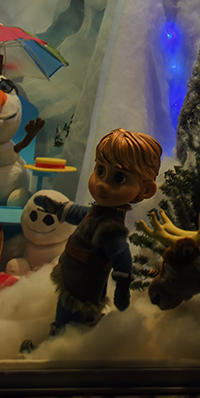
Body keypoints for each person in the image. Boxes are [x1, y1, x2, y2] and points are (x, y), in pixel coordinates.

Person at [45, 129, 163, 335]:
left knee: (69, 320)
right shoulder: (101, 214)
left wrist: (122, 289)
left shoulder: (111, 228)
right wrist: (59, 209)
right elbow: (83, 214)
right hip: (75, 276)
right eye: (100, 170)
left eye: (119, 177)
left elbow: (122, 256)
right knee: (76, 318)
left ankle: (57, 346)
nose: (101, 184)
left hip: (81, 285)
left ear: (145, 190)